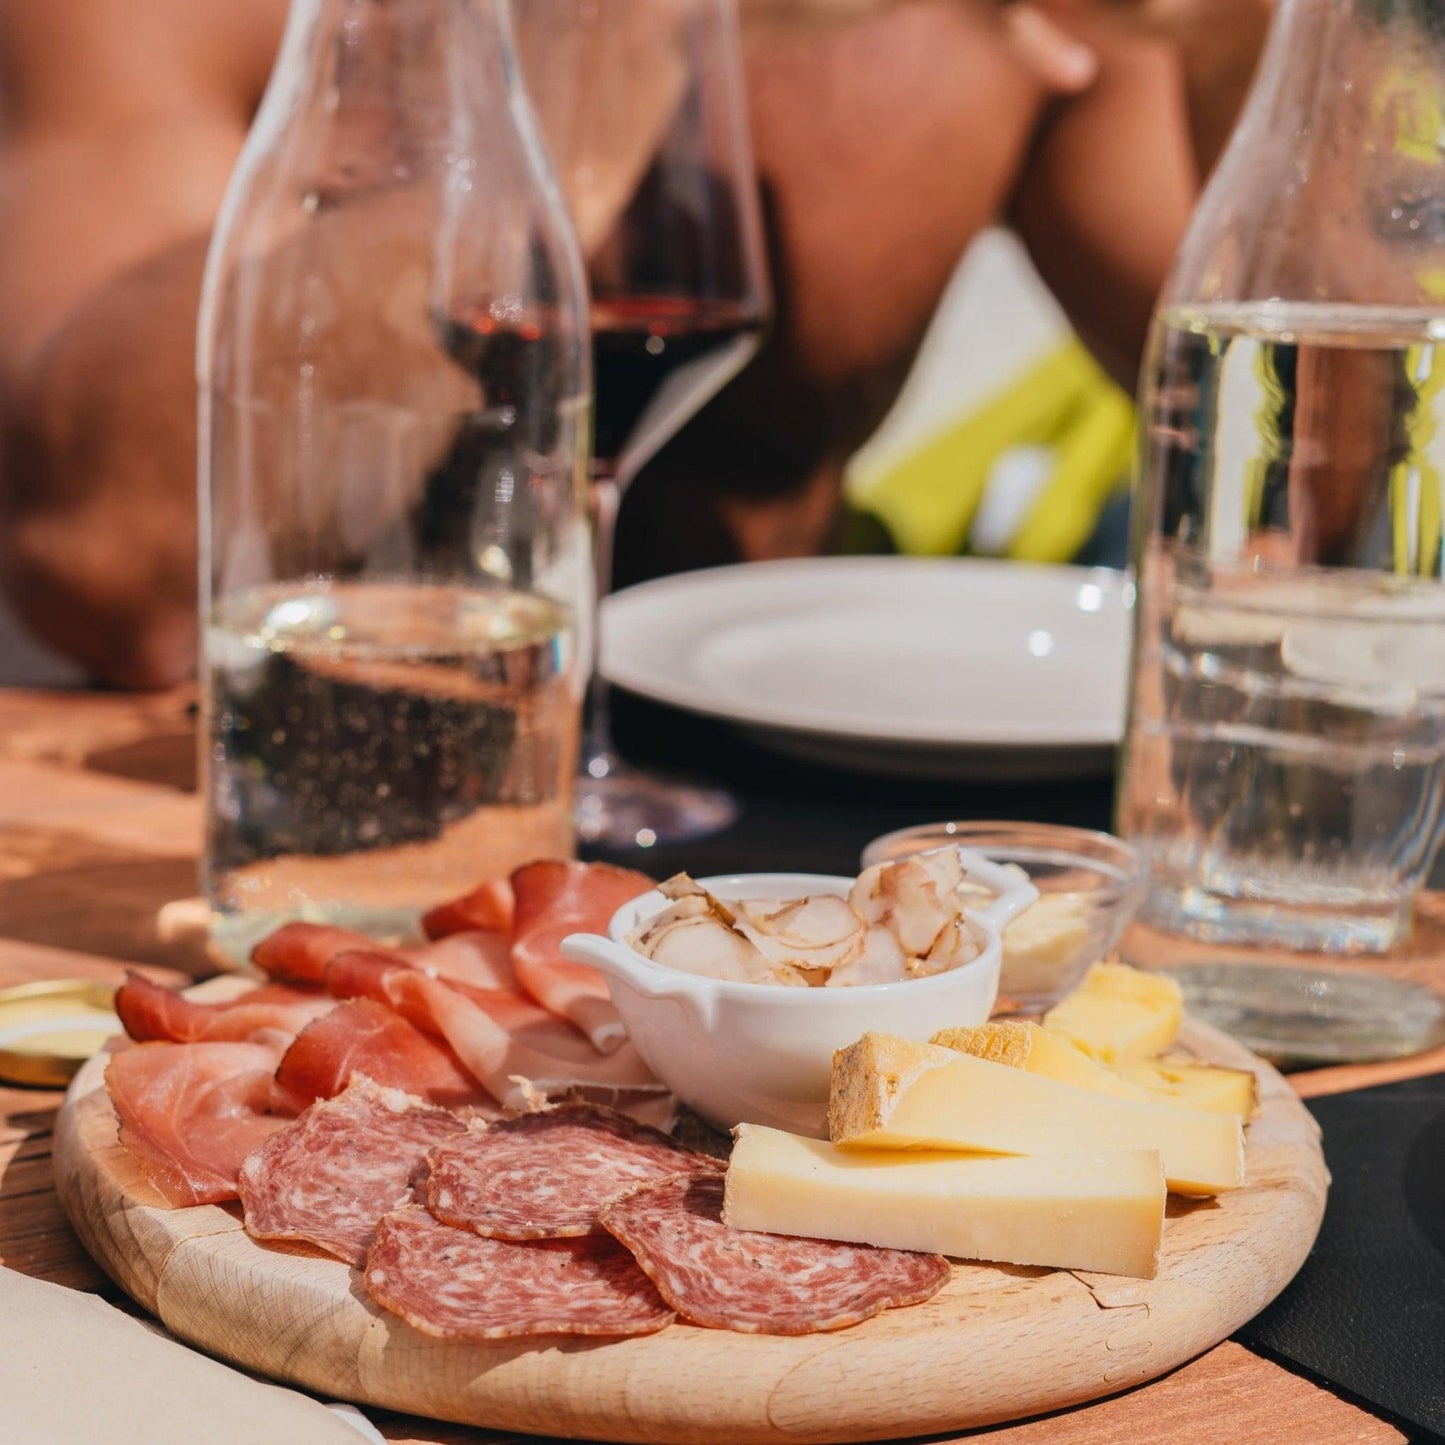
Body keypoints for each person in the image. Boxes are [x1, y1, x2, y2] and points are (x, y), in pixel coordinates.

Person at [0, 0, 1270, 689]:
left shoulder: (968, 37)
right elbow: (118, 575)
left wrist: (1247, 50)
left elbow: (1310, 497)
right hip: (275, 847)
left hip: (817, 848)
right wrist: (595, 58)